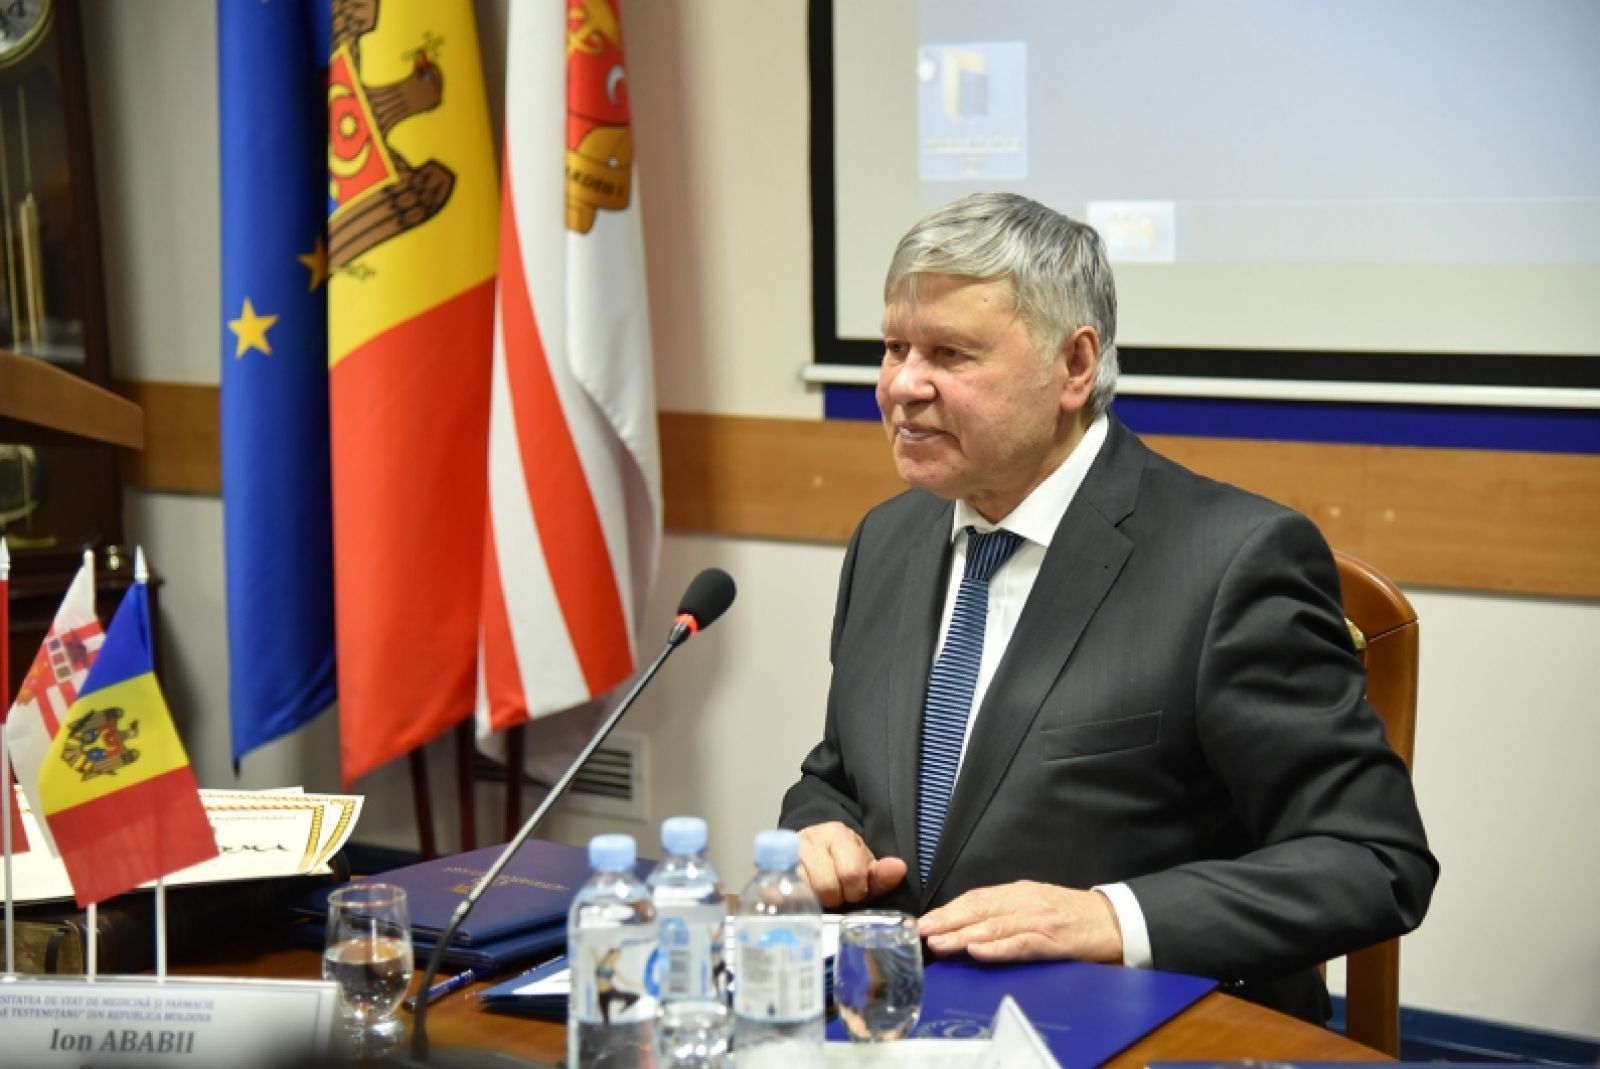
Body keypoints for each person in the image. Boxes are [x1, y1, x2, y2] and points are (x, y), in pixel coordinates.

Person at [778, 192, 1437, 1023]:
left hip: (1137, 1023)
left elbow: (1372, 860)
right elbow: (839, 775)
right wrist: (816, 831)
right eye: (895, 346)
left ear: (1075, 366)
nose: (903, 384)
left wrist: (1110, 918)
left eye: (950, 353)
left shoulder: (1232, 561)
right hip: (899, 1015)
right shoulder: (890, 537)